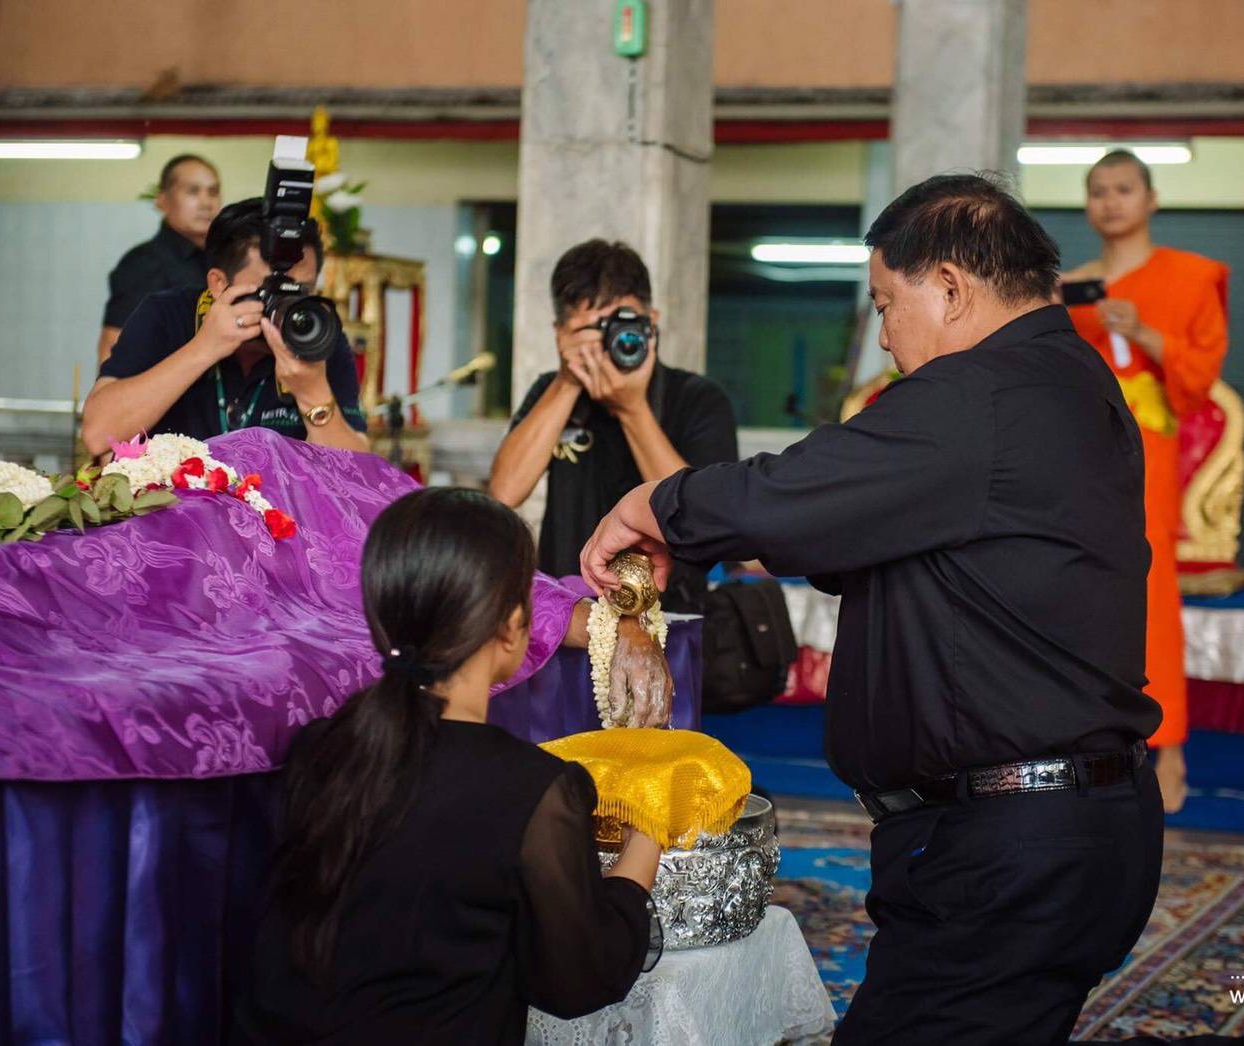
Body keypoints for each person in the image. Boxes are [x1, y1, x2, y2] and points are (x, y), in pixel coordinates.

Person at [581, 174, 1164, 1044]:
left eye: (887, 306)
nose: (885, 338)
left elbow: (800, 491)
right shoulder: (1064, 380)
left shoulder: (983, 393)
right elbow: (863, 537)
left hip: (1010, 845)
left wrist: (656, 506)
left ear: (953, 290)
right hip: (1049, 832)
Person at [236, 487, 662, 1044]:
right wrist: (651, 825)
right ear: (513, 626)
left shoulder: (322, 748)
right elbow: (579, 980)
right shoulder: (533, 789)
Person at [1062, 149, 1230, 814]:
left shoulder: (1190, 279)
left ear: (1151, 200)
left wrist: (1149, 336)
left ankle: (1170, 748)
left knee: (1151, 593)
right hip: (1076, 455)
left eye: (1124, 189)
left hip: (1147, 457)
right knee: (1071, 588)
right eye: (1098, 190)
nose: (1111, 202)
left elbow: (1200, 381)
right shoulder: (1069, 289)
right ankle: (1079, 737)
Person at [488, 240, 738, 613]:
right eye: (594, 330)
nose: (609, 342)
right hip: (568, 613)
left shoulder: (698, 398)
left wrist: (632, 410)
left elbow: (706, 515)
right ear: (561, 333)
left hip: (670, 614)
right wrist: (568, 380)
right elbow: (504, 492)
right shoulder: (553, 391)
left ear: (651, 322)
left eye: (623, 326)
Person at [81, 198, 370, 457]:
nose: (286, 305)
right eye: (272, 290)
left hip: (276, 514)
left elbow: (357, 475)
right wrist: (202, 350)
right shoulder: (167, 314)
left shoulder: (317, 335)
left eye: (300, 290)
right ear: (218, 284)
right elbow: (98, 436)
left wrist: (313, 393)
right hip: (170, 511)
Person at [97, 154, 221, 365]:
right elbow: (112, 349)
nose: (206, 202)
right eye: (193, 191)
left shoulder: (220, 261)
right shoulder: (144, 263)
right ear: (163, 200)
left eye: (213, 192)